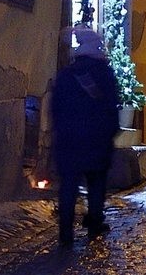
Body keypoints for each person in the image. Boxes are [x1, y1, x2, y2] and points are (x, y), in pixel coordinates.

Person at [51, 26, 120, 246]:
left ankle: (65, 232)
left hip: (69, 139)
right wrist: (111, 132)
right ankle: (95, 222)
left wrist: (60, 132)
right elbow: (111, 106)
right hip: (96, 139)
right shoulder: (105, 74)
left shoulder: (66, 74)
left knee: (69, 185)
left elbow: (56, 107)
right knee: (96, 182)